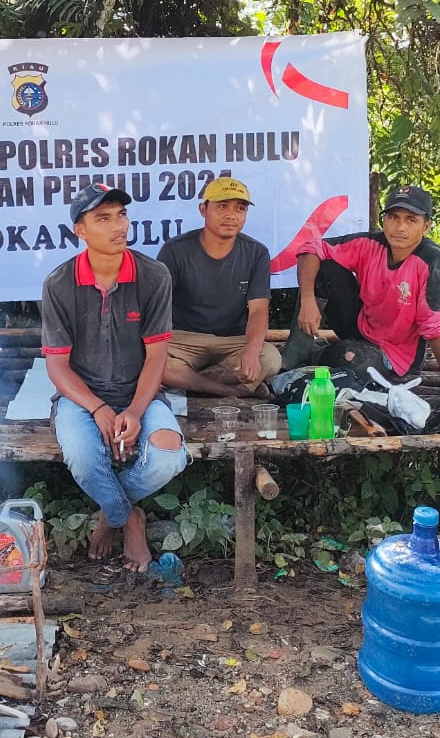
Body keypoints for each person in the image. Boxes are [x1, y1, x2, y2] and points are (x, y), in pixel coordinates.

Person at [41, 183, 189, 572]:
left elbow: (157, 357)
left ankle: (111, 514)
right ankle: (131, 518)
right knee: (85, 460)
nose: (117, 225)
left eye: (121, 215)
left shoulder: (153, 275)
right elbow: (57, 367)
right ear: (81, 230)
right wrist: (98, 408)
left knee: (169, 455)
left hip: (140, 392)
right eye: (102, 218)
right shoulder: (59, 283)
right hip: (80, 397)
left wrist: (136, 411)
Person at [288, 185, 440, 395]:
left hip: (396, 357)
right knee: (324, 267)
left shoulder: (433, 264)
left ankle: (320, 352)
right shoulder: (371, 243)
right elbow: (312, 248)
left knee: (351, 359)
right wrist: (308, 299)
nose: (400, 227)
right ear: (384, 220)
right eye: (393, 217)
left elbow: (434, 327)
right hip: (362, 329)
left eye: (411, 220)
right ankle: (293, 359)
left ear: (425, 226)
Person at [155, 176, 282, 397]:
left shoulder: (256, 253)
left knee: (270, 359)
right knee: (148, 358)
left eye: (240, 208)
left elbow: (259, 311)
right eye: (222, 206)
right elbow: (156, 305)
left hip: (232, 341)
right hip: (183, 339)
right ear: (203, 210)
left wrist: (251, 350)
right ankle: (227, 390)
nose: (231, 215)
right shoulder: (175, 250)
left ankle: (188, 382)